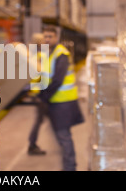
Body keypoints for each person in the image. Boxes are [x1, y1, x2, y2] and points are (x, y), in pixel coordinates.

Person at [28, 26, 84, 171]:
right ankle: (68, 166)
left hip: (63, 102)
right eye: (45, 36)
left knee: (64, 137)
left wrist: (43, 96)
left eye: (50, 36)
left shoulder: (61, 54)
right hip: (54, 101)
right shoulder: (48, 54)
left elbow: (58, 80)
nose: (47, 39)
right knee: (60, 135)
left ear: (56, 38)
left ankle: (70, 167)